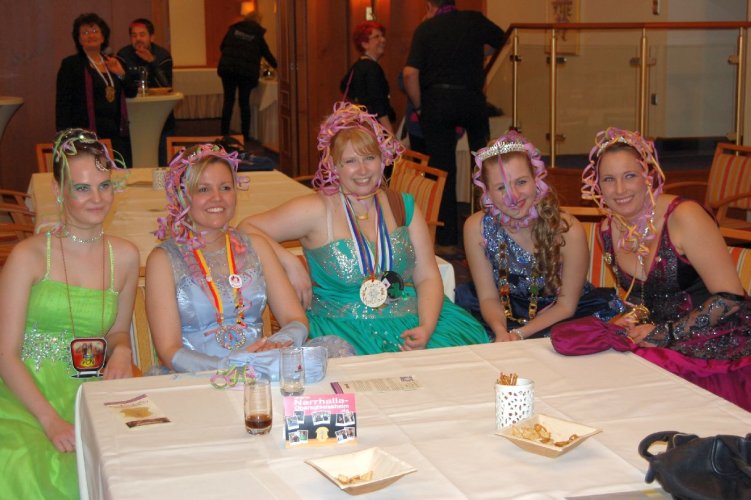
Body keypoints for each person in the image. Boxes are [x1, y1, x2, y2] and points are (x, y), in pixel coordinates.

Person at [239, 102, 489, 355]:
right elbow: (245, 228)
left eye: (370, 158)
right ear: (334, 166)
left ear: (383, 160)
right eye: (350, 161)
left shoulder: (403, 206)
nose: (362, 170)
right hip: (343, 329)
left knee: (464, 354)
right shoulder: (316, 209)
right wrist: (289, 261)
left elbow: (427, 276)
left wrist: (426, 327)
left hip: (413, 320)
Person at [551, 128, 751, 410]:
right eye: (609, 179)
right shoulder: (608, 229)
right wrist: (629, 318)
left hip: (717, 342)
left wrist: (666, 333)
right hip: (655, 340)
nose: (620, 190)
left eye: (630, 176)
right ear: (597, 185)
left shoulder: (684, 216)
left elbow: (730, 298)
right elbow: (643, 296)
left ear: (648, 175)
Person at [0, 129, 139, 498]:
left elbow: (118, 331)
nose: (97, 198)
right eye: (82, 188)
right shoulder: (29, 256)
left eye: (104, 186)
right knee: (25, 469)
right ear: (58, 191)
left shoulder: (124, 256)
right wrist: (49, 421)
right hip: (25, 396)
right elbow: (4, 354)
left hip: (89, 389)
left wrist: (122, 350)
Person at [146, 144, 351, 375]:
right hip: (201, 376)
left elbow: (295, 318)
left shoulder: (256, 246)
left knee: (337, 354)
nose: (217, 198)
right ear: (182, 196)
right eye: (203, 189)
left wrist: (276, 345)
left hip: (261, 369)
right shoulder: (164, 260)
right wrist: (229, 366)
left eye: (225, 187)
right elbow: (169, 351)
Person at [458, 131, 622, 342]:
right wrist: (500, 332)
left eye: (521, 182)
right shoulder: (476, 228)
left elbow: (566, 305)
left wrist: (520, 334)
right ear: (487, 192)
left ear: (536, 180)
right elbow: (488, 297)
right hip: (500, 315)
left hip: (558, 316)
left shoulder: (568, 230)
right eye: (501, 187)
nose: (513, 196)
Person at [403, 0, 505, 247]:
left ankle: (447, 238)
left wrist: (419, 106)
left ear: (430, 5)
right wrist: (476, 53)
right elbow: (502, 38)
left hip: (437, 101)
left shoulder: (426, 29)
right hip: (472, 99)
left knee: (443, 170)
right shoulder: (474, 19)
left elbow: (409, 73)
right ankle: (490, 228)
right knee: (484, 163)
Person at [56, 13, 136, 166]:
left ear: (103, 36)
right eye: (85, 32)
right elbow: (62, 105)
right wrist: (64, 138)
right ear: (79, 40)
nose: (90, 35)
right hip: (85, 136)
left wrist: (121, 73)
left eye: (94, 31)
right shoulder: (71, 65)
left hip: (116, 135)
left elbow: (132, 92)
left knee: (120, 175)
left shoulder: (115, 62)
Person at [117, 18, 174, 166]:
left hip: (158, 116)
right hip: (132, 117)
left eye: (142, 35)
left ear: (152, 37)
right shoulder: (123, 55)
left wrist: (152, 62)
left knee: (161, 162)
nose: (138, 39)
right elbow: (120, 86)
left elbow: (167, 86)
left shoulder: (162, 55)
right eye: (134, 35)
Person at [217, 11, 277, 142]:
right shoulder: (257, 34)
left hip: (228, 69)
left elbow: (222, 47)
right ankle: (245, 135)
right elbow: (266, 53)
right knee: (244, 103)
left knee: (228, 101)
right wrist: (278, 67)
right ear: (257, 21)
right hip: (245, 72)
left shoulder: (234, 29)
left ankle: (224, 133)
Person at [340, 21, 395, 134]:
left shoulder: (357, 66)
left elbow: (343, 86)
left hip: (360, 128)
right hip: (375, 129)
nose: (383, 40)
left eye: (382, 36)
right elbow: (378, 103)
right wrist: (389, 132)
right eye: (377, 37)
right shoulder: (372, 68)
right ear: (364, 43)